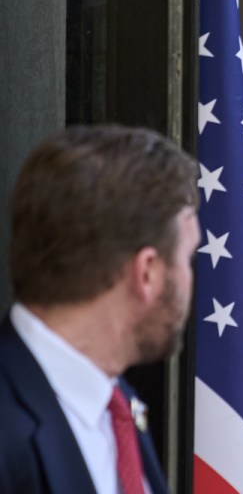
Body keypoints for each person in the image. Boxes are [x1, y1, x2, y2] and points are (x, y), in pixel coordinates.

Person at [0, 124, 200, 494]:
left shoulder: (116, 400)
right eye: (187, 259)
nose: (192, 280)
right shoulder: (8, 433)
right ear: (147, 273)